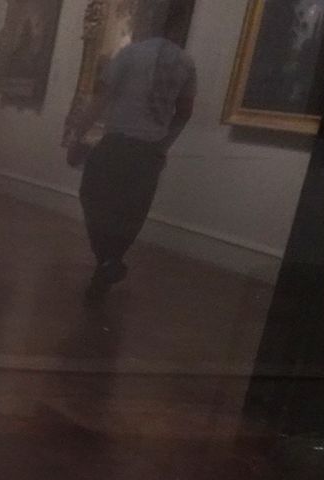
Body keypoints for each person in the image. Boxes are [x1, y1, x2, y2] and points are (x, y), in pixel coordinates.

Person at [70, 0, 196, 296]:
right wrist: (163, 144)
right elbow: (184, 112)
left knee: (93, 196)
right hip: (149, 150)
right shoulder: (186, 63)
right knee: (132, 211)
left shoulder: (130, 54)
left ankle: (106, 259)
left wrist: (77, 136)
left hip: (117, 142)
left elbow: (100, 99)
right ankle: (110, 259)